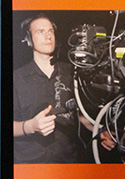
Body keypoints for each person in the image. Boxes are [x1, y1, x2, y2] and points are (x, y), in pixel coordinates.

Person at [12, 14, 98, 163]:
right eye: (40, 32)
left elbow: (77, 115)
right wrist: (30, 126)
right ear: (28, 39)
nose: (48, 36)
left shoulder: (72, 72)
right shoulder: (16, 78)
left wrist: (99, 131)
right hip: (29, 164)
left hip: (67, 161)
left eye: (50, 31)